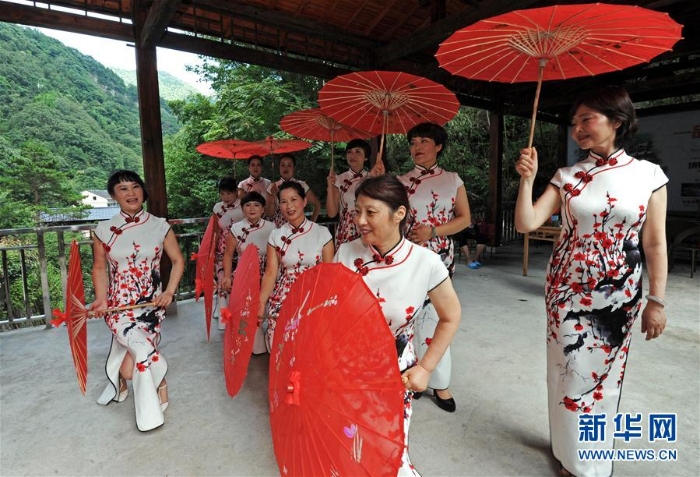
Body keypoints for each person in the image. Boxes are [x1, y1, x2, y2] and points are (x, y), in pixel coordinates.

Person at [514, 86, 668, 477]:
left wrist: (657, 300)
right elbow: (526, 223)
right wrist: (526, 180)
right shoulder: (567, 175)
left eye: (587, 119)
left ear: (617, 121)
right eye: (574, 122)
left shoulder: (649, 176)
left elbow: (654, 242)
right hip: (566, 291)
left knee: (604, 380)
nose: (577, 128)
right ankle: (571, 456)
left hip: (620, 293)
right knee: (567, 373)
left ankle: (589, 460)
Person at [335, 175, 461, 476]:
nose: (360, 220)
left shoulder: (426, 262)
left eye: (370, 212)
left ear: (399, 214)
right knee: (348, 445)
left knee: (388, 449)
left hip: (395, 373)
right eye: (357, 211)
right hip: (345, 369)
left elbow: (451, 315)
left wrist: (426, 368)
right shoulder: (346, 253)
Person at [91, 170, 185, 432]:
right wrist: (101, 299)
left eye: (135, 187)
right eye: (122, 189)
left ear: (143, 191)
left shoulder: (159, 225)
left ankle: (119, 377)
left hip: (151, 306)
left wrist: (169, 291)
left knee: (132, 369)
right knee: (143, 353)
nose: (130, 193)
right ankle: (156, 398)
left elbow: (178, 260)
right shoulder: (103, 230)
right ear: (113, 196)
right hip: (119, 306)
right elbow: (99, 268)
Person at [398, 122, 471, 412]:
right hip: (408, 255)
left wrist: (435, 231)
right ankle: (413, 374)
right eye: (413, 142)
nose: (417, 147)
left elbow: (464, 218)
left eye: (424, 141)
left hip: (440, 255)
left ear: (438, 146)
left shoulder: (453, 179)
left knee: (438, 316)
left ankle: (440, 382)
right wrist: (379, 182)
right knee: (410, 316)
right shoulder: (401, 181)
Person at [259, 182, 334, 350]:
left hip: (314, 294)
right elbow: (271, 273)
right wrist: (261, 302)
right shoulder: (276, 235)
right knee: (280, 346)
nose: (289, 206)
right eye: (284, 201)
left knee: (310, 348)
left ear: (304, 201)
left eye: (294, 199)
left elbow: (329, 273)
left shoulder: (322, 233)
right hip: (284, 294)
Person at [221, 191, 275, 354]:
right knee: (245, 311)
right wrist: (227, 276)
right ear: (243, 209)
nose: (252, 208)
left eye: (257, 205)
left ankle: (265, 342)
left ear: (263, 209)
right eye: (248, 205)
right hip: (244, 275)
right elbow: (228, 254)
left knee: (264, 309)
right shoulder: (236, 229)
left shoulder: (272, 228)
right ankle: (248, 346)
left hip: (268, 273)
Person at [326, 139, 370, 247]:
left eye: (357, 151)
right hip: (346, 231)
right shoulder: (339, 179)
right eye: (349, 151)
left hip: (368, 227)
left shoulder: (372, 178)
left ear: (366, 157)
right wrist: (330, 186)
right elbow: (331, 213)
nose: (352, 155)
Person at [212, 176, 244, 329]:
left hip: (240, 246)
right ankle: (224, 317)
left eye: (229, 193)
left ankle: (239, 313)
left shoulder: (244, 206)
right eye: (222, 194)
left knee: (238, 280)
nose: (225, 197)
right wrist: (213, 248)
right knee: (222, 280)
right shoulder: (217, 207)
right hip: (222, 247)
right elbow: (216, 230)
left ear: (236, 192)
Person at [265, 154, 322, 227]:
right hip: (279, 228)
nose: (285, 168)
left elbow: (317, 204)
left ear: (294, 168)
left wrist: (311, 224)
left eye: (289, 165)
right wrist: (273, 196)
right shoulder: (273, 187)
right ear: (279, 168)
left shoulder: (302, 185)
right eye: (282, 165)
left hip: (299, 227)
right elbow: (269, 214)